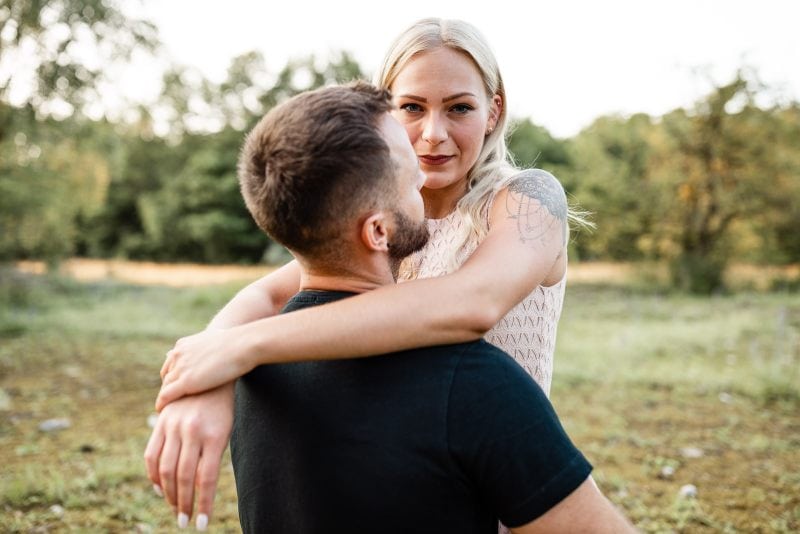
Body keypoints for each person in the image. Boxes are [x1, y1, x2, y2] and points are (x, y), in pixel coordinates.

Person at [146, 18, 588, 529]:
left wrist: (243, 348)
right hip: (412, 484)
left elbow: (475, 303)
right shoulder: (387, 216)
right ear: (385, 110)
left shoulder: (526, 199)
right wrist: (205, 379)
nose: (434, 134)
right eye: (412, 108)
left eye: (460, 108)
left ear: (495, 110)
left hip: (516, 490)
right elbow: (268, 296)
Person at [211, 81, 636, 532]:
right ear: (378, 233)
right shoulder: (475, 383)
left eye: (458, 108)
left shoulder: (252, 377)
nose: (428, 146)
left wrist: (218, 358)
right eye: (409, 177)